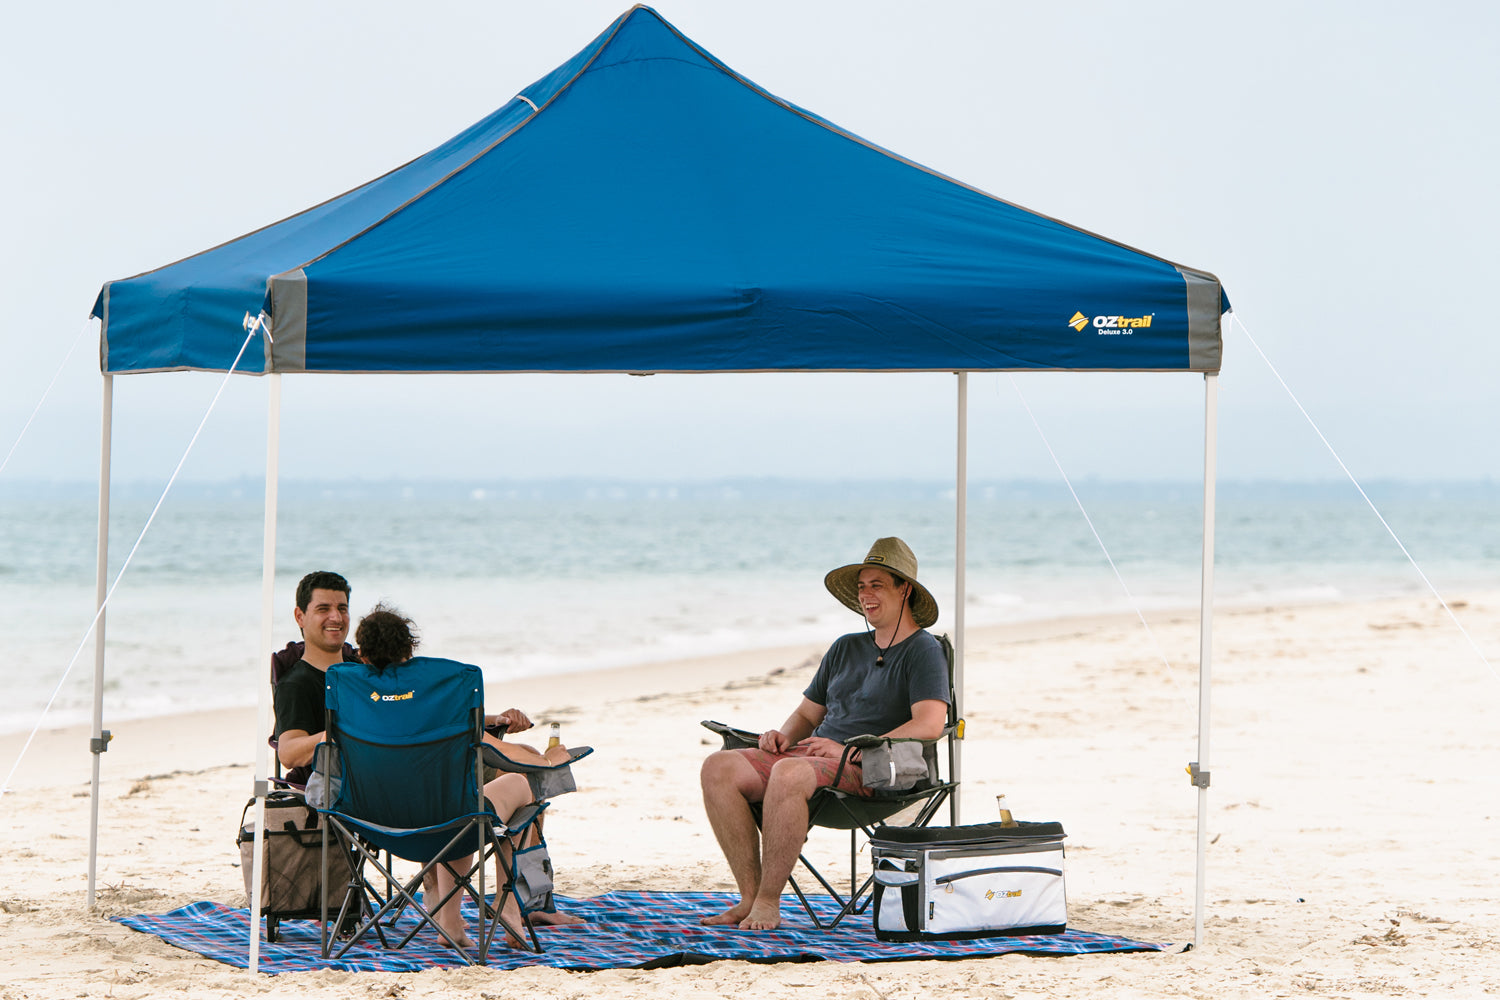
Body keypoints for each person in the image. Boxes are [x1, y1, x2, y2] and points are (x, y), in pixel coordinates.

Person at [699, 537, 950, 930]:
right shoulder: (845, 647)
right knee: (719, 766)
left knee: (789, 773)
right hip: (815, 760)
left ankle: (769, 901)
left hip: (872, 768)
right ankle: (748, 898)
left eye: (877, 585)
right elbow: (806, 713)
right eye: (862, 586)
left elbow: (931, 723)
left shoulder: (923, 651)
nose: (866, 594)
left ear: (906, 590)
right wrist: (781, 737)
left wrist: (849, 749)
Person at [351, 602, 585, 949]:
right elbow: (504, 753)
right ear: (410, 651)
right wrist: (549, 758)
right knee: (521, 786)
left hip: (374, 824)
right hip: (451, 822)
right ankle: (507, 905)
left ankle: (451, 920)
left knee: (457, 807)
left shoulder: (353, 700)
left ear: (362, 656)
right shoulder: (439, 694)